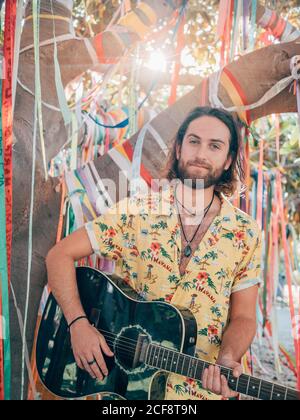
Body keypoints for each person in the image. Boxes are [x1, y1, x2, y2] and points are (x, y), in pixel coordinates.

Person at [46, 107, 262, 400]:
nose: (201, 152)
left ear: (227, 160)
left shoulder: (245, 232)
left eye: (215, 145)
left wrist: (228, 357)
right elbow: (59, 255)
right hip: (124, 390)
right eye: (194, 141)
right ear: (178, 148)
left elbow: (244, 317)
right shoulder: (137, 211)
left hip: (197, 392)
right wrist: (78, 324)